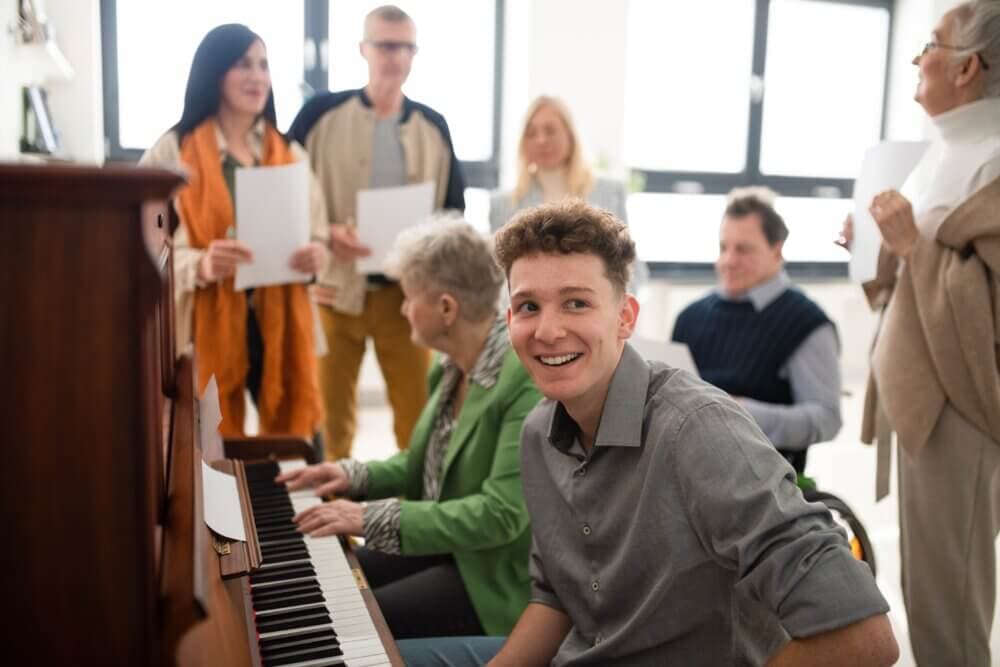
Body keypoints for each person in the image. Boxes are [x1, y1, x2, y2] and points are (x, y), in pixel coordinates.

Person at [411, 200, 898, 666]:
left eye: (576, 303)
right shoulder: (540, 431)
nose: (549, 330)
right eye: (529, 306)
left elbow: (866, 638)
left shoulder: (699, 431)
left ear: (625, 317)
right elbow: (555, 596)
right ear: (509, 319)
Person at [274, 219, 541, 640]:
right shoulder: (451, 363)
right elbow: (428, 461)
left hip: (491, 575)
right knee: (327, 582)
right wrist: (351, 475)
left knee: (349, 623)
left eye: (408, 297)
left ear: (447, 309)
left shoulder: (522, 382)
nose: (401, 309)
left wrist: (367, 515)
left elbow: (500, 516)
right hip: (447, 545)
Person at [848, 2, 1000, 664]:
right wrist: (881, 248)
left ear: (968, 67)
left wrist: (913, 245)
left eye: (930, 45)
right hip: (925, 401)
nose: (919, 59)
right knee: (926, 595)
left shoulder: (993, 157)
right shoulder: (947, 152)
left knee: (952, 610)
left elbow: (986, 303)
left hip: (961, 408)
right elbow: (914, 281)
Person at [288, 5, 466, 461]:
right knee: (330, 424)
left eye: (408, 47)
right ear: (363, 49)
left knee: (418, 422)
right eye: (387, 45)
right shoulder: (319, 116)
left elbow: (452, 216)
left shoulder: (434, 126)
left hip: (407, 299)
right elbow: (281, 194)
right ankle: (333, 523)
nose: (397, 57)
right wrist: (326, 233)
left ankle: (415, 523)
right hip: (334, 294)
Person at [140, 24, 326, 438]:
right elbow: (142, 246)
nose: (258, 76)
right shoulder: (172, 151)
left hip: (278, 317)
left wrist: (316, 256)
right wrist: (201, 264)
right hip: (202, 324)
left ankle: (296, 501)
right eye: (244, 64)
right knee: (206, 441)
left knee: (300, 442)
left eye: (263, 65)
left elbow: (318, 236)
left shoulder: (289, 152)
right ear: (214, 72)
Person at [672, 188, 841, 476]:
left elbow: (826, 419)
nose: (729, 260)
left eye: (743, 249)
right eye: (723, 247)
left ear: (777, 250)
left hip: (760, 481)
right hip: (683, 469)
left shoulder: (806, 323)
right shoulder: (690, 318)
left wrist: (740, 413)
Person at [488, 95, 648, 291]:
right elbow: (499, 278)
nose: (541, 140)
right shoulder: (502, 204)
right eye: (531, 133)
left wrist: (615, 311)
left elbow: (631, 267)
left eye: (550, 130)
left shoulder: (610, 192)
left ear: (570, 135)